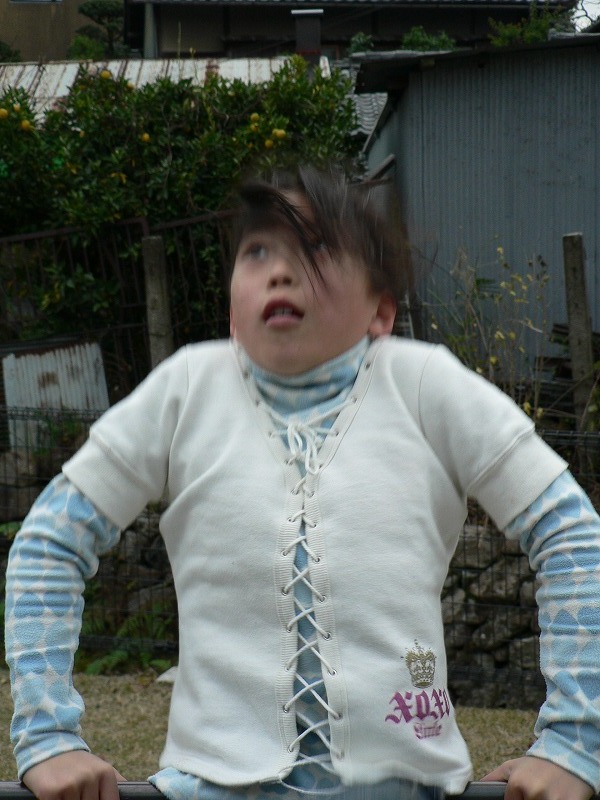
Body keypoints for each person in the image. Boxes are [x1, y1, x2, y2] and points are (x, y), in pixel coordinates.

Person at [5, 165, 600, 800]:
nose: (280, 271)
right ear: (232, 311)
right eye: (257, 251)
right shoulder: (183, 391)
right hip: (211, 784)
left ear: (380, 309)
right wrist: (49, 735)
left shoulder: (429, 386)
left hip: (400, 784)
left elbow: (571, 535)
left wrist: (573, 742)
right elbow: (50, 544)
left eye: (315, 248)